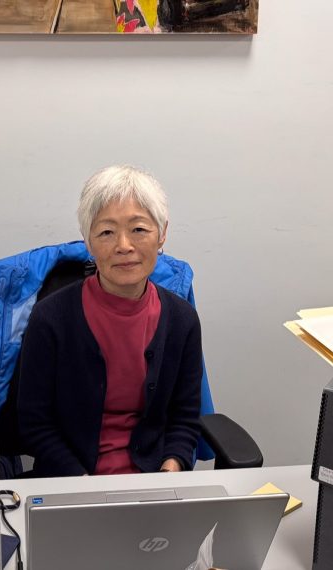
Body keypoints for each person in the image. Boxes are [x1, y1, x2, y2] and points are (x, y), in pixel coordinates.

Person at [17, 165, 203, 477]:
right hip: (71, 482)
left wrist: (171, 469)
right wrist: (84, 485)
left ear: (163, 234)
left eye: (139, 229)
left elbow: (184, 418)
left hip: (153, 482)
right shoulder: (50, 318)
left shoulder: (181, 320)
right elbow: (34, 422)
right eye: (106, 232)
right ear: (88, 241)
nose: (124, 246)